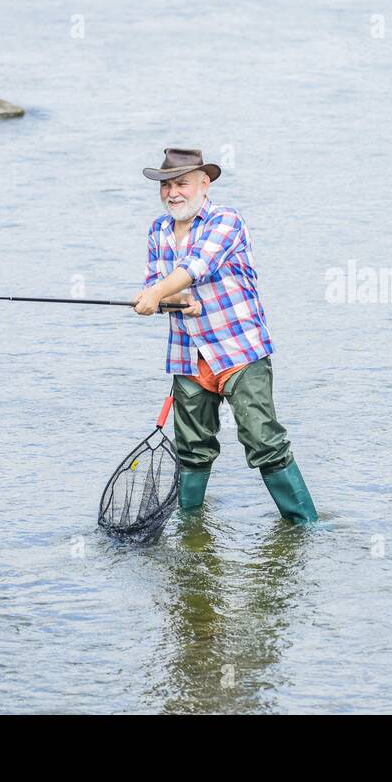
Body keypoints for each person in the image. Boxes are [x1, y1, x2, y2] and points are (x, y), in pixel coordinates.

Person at [132, 147, 317, 524]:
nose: (173, 193)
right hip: (187, 353)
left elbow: (197, 265)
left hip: (238, 351)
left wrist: (158, 294)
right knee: (192, 448)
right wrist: (172, 300)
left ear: (205, 183)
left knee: (264, 441)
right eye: (166, 186)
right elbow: (161, 283)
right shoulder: (158, 229)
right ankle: (190, 524)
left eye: (181, 183)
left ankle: (305, 526)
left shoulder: (226, 220)